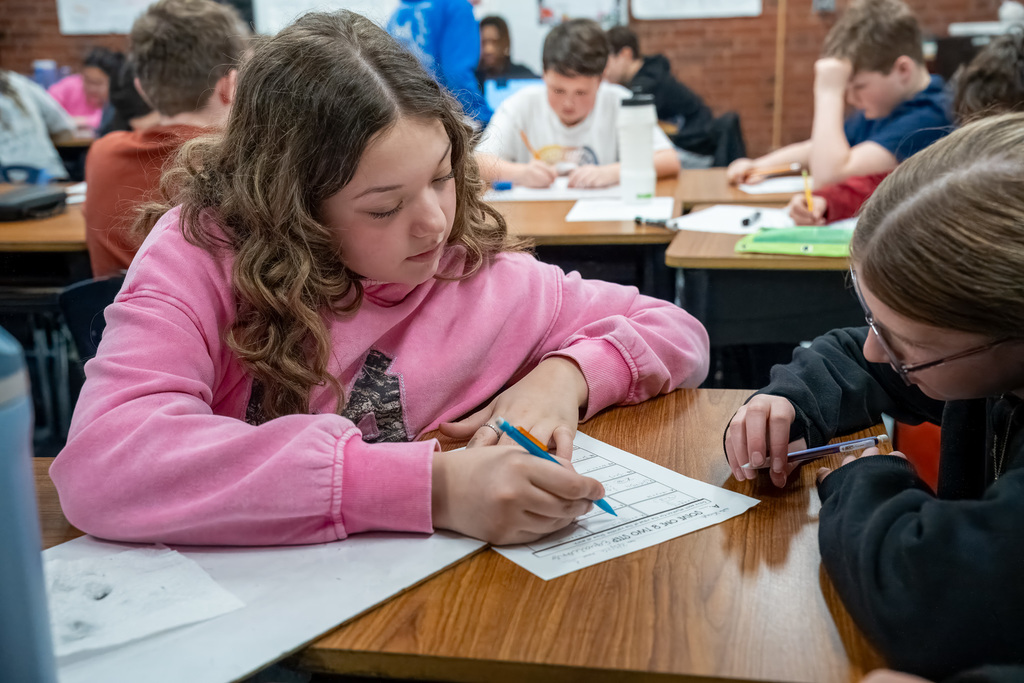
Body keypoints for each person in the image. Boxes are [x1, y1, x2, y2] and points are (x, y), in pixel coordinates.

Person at [51, 10, 710, 548]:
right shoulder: (203, 251)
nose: (433, 224)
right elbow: (105, 461)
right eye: (383, 207)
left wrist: (565, 376)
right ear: (293, 206)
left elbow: (676, 327)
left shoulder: (478, 276)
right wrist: (435, 489)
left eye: (442, 176)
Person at [723, 113, 1024, 680]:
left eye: (901, 342)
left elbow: (924, 594)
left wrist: (868, 475)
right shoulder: (987, 363)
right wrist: (788, 399)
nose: (873, 351)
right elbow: (851, 356)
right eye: (872, 320)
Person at [83, 0, 250, 278]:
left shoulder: (102, 153)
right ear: (231, 85)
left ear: (142, 89)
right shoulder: (242, 163)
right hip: (214, 321)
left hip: (109, 317)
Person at [788, 31, 1024, 225]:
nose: (982, 152)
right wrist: (828, 202)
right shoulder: (969, 159)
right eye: (974, 132)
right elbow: (903, 183)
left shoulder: (928, 115)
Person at [727, 0, 952, 189]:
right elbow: (815, 149)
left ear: (903, 70)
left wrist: (828, 92)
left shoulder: (931, 117)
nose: (851, 99)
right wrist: (758, 166)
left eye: (859, 87)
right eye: (845, 90)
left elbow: (830, 179)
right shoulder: (888, 105)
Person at [477, 18, 680, 189]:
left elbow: (669, 160)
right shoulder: (521, 105)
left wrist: (612, 172)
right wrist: (519, 173)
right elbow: (476, 162)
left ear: (601, 80)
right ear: (544, 75)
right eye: (558, 90)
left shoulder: (619, 102)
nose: (568, 103)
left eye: (581, 92)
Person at [603, 25, 714, 159]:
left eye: (607, 62)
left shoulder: (646, 85)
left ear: (625, 54)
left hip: (694, 147)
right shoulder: (650, 72)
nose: (605, 71)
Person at [387, 0, 490, 124]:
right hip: (433, 118)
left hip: (396, 114)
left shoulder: (401, 10)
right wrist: (486, 118)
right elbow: (456, 75)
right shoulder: (457, 7)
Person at [0, 69, 75, 180]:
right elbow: (63, 126)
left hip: (10, 185)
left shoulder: (19, 82)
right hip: (52, 177)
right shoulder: (20, 83)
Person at [47, 47, 124, 134]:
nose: (91, 88)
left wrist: (80, 121)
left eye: (98, 83)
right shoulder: (69, 86)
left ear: (113, 83)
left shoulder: (117, 99)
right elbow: (46, 106)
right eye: (87, 80)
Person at [474, 15, 537, 91]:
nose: (489, 50)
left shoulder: (524, 77)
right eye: (483, 42)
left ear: (505, 43)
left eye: (495, 42)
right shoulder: (470, 80)